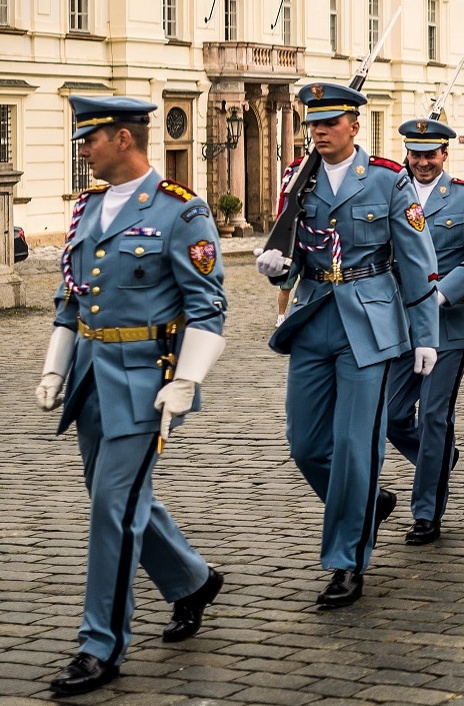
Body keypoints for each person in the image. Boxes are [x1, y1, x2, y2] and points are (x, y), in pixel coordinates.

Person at [37, 97, 229, 696]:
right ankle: (192, 579)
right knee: (114, 498)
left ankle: (101, 644)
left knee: (112, 509)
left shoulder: (181, 211)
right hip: (92, 375)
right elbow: (71, 299)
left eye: (90, 139)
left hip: (147, 380)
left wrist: (187, 380)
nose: (83, 150)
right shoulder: (88, 208)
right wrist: (55, 368)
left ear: (123, 138)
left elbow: (208, 307)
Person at [258, 83, 440, 608]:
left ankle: (346, 561)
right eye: (313, 123)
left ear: (354, 126)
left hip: (371, 323)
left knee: (357, 447)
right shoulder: (299, 178)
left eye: (330, 122)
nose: (319, 131)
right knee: (306, 444)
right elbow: (293, 253)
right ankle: (369, 504)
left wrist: (425, 334)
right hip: (314, 317)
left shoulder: (387, 179)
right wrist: (278, 270)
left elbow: (416, 260)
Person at [385, 117, 464, 546]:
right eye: (416, 154)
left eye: (430, 154)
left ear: (445, 154)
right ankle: (441, 457)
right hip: (401, 323)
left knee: (433, 415)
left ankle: (426, 512)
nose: (423, 162)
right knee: (392, 415)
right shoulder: (392, 192)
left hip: (449, 323)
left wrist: (441, 294)